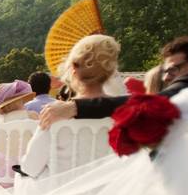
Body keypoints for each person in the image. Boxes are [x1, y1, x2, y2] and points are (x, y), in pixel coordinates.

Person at [39, 35, 188, 128]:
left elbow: (150, 101)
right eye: (165, 71)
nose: (165, 77)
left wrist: (76, 107)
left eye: (174, 69)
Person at [20, 35, 120, 178]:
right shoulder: (124, 113)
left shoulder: (55, 113)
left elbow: (30, 167)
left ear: (73, 69)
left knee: (24, 178)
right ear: (110, 72)